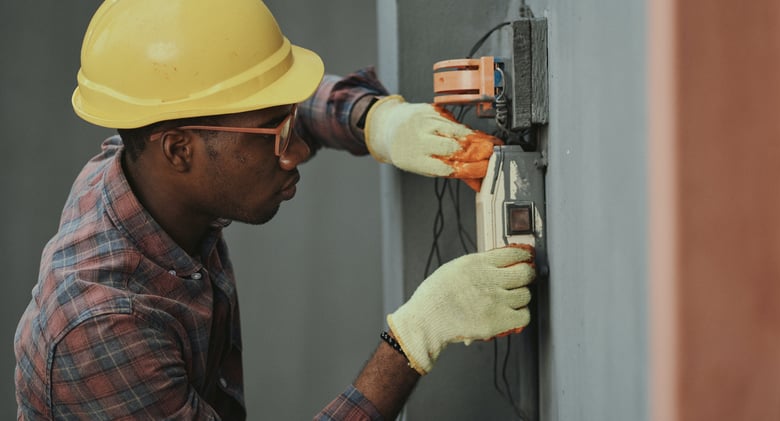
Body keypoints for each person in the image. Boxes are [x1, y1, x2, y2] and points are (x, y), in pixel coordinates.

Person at [13, 0, 536, 420]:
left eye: (289, 124)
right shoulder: (102, 329)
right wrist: (412, 340)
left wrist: (374, 120)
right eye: (276, 134)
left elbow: (253, 109)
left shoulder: (144, 157)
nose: (297, 151)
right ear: (179, 150)